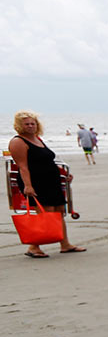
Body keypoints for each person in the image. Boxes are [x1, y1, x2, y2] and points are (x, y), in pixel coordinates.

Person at [9, 111, 85, 258]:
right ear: (19, 126)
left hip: (51, 181)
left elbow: (47, 161)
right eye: (27, 124)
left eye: (33, 123)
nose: (31, 126)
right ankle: (33, 246)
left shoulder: (37, 139)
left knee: (58, 212)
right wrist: (28, 186)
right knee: (45, 213)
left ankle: (65, 244)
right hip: (36, 182)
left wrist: (64, 173)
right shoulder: (18, 141)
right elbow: (22, 166)